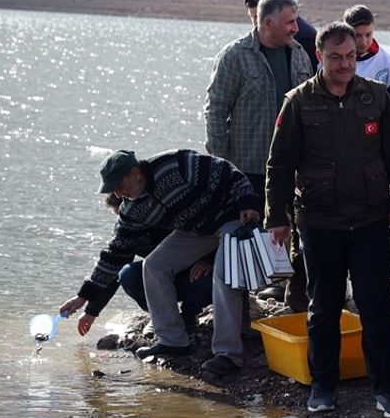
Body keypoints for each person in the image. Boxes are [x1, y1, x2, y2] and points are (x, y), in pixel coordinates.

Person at [265, 21, 390, 418]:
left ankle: (387, 391)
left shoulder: (377, 98)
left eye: (350, 56)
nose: (345, 64)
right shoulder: (297, 102)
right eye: (336, 57)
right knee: (323, 308)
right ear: (320, 56)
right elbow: (279, 165)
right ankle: (323, 387)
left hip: (369, 220)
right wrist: (276, 216)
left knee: (377, 306)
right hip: (319, 222)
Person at [57, 149, 263, 376]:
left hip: (231, 216)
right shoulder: (132, 210)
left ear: (135, 174)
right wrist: (83, 297)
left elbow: (230, 173)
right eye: (113, 189)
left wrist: (247, 202)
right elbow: (114, 255)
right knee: (154, 265)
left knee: (225, 275)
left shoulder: (176, 166)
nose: (118, 193)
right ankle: (173, 340)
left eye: (119, 185)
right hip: (197, 231)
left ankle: (228, 354)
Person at [205, 0, 313, 311]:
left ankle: (285, 293)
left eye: (295, 21)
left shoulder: (300, 55)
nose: (296, 28)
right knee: (246, 235)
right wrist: (222, 166)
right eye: (289, 22)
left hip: (293, 165)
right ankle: (244, 311)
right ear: (267, 23)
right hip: (248, 164)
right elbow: (215, 111)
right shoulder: (235, 55)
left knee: (291, 229)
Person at [75, 195, 213, 337]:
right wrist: (91, 311)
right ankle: (159, 315)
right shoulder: (127, 232)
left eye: (124, 215)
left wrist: (209, 260)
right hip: (160, 279)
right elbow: (113, 266)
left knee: (205, 278)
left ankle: (189, 316)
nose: (123, 220)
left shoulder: (170, 212)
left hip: (194, 275)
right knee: (127, 274)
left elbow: (214, 234)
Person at [343, 4, 390, 112]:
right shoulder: (329, 60)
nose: (364, 41)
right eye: (358, 35)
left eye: (368, 34)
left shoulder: (389, 62)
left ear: (374, 28)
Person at [244, 0, 317, 67]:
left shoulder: (304, 38)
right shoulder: (241, 52)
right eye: (254, 18)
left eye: (259, 17)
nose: (257, 23)